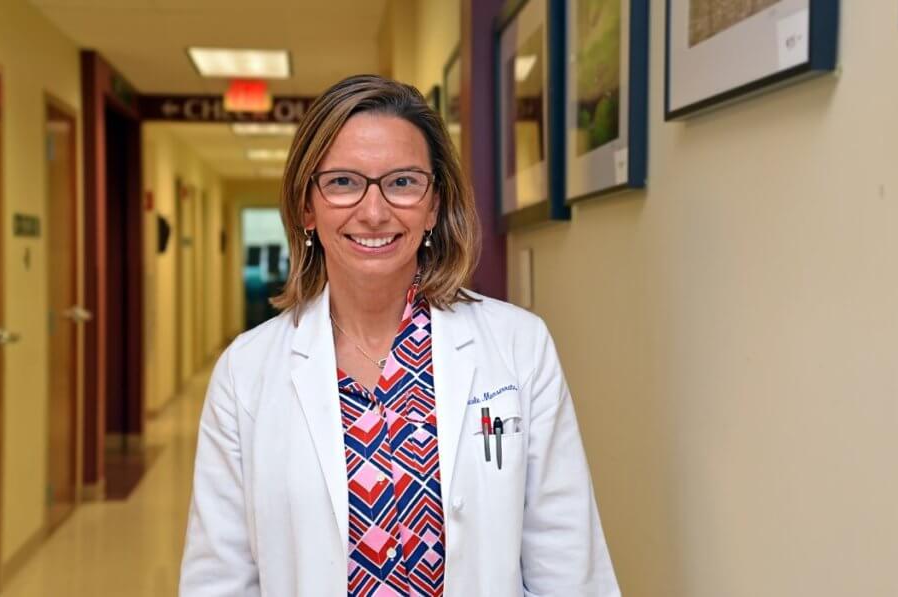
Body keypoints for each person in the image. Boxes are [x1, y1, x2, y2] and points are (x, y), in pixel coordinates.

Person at [179, 74, 620, 596]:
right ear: (306, 207)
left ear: (434, 205)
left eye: (403, 182)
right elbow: (220, 580)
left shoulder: (519, 347)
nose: (374, 212)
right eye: (343, 182)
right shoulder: (246, 371)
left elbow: (568, 564)